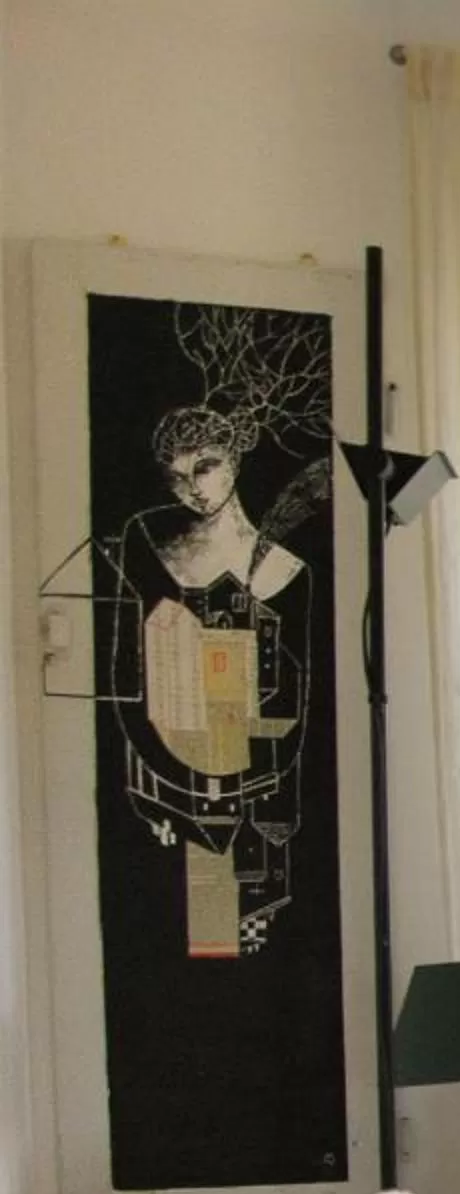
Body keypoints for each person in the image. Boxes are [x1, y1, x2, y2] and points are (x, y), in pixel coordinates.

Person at [101, 403, 315, 958]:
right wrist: (153, 779)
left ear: (235, 460)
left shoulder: (288, 571)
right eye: (176, 475)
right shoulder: (145, 541)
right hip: (166, 762)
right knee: (184, 938)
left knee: (243, 936)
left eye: (205, 467)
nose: (192, 488)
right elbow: (127, 673)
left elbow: (292, 702)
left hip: (250, 777)